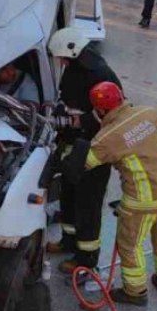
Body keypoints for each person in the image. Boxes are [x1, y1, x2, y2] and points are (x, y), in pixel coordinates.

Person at [83, 82, 157, 306]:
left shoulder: (106, 138)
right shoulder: (150, 113)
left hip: (142, 203)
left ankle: (135, 291)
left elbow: (85, 164)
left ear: (99, 111)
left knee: (130, 245)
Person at [46, 28, 122, 274]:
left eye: (63, 59)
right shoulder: (76, 67)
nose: (61, 63)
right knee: (68, 195)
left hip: (94, 150)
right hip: (73, 145)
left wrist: (79, 121)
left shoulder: (101, 75)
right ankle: (69, 240)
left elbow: (112, 114)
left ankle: (86, 258)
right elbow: (68, 96)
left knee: (87, 204)